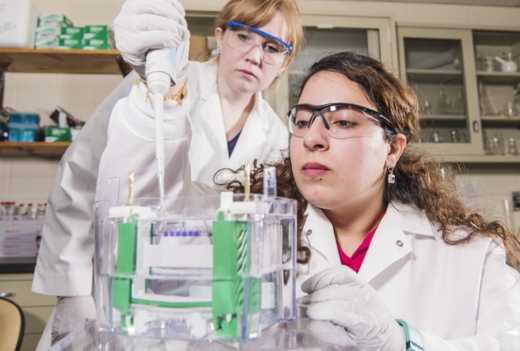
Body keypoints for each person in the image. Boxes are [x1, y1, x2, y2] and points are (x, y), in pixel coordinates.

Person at [32, 0, 303, 348]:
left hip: (208, 313)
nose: (255, 56)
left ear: (285, 61)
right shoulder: (158, 85)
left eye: (272, 47)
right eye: (244, 37)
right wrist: (71, 288)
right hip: (116, 289)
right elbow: (80, 176)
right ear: (220, 36)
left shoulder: (279, 140)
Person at [232, 51, 520, 350]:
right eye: (303, 121)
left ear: (392, 149)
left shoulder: (472, 253)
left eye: (342, 122)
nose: (311, 138)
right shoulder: (253, 240)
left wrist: (403, 343)